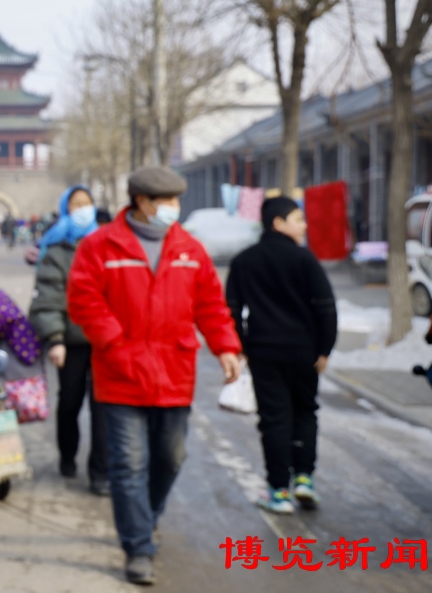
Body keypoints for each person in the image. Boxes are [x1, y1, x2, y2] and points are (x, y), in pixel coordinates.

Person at [67, 166, 242, 586]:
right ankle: (139, 547)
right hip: (120, 373)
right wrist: (114, 343)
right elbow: (84, 300)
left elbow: (211, 306)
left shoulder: (189, 249)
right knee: (127, 465)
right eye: (168, 202)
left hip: (173, 372)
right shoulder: (100, 246)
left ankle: (144, 518)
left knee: (170, 457)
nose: (174, 209)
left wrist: (227, 346)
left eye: (176, 201)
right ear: (142, 203)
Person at [225, 197, 336, 515]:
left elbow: (230, 309)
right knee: (305, 412)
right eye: (298, 219)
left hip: (263, 352)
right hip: (305, 353)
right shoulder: (304, 259)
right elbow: (326, 307)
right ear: (278, 223)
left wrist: (242, 345)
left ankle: (279, 492)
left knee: (274, 419)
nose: (304, 225)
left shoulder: (245, 260)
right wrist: (324, 349)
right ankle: (304, 478)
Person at [29, 185, 109, 495]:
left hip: (104, 341)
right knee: (70, 403)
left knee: (104, 406)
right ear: (65, 209)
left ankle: (100, 473)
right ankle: (67, 455)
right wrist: (55, 338)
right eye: (76, 204)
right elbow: (49, 297)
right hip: (71, 342)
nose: (83, 209)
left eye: (87, 203)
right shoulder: (57, 250)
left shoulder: (107, 245)